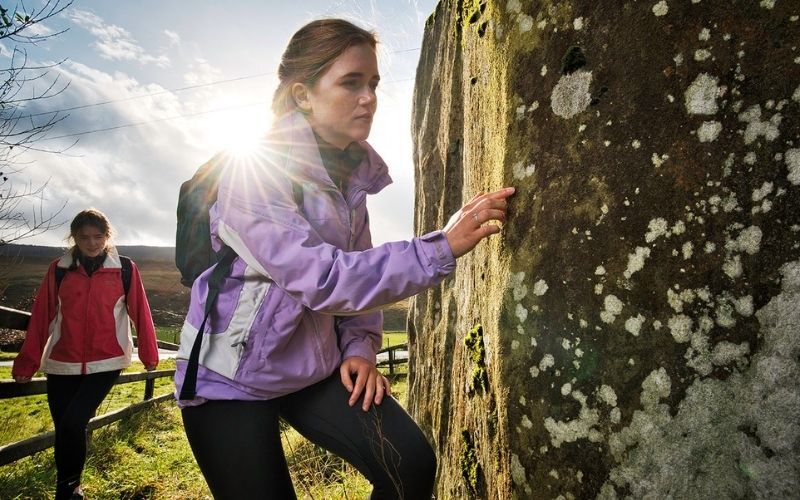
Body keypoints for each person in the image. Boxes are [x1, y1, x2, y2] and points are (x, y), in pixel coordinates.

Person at [174, 18, 514, 499]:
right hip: (230, 377)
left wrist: (359, 348)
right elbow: (324, 277)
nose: (369, 97)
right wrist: (440, 246)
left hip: (310, 366)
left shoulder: (352, 177)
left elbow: (362, 267)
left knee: (409, 464)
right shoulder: (252, 172)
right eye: (350, 83)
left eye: (373, 83)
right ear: (302, 95)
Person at [12, 208, 159, 500]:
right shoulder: (59, 269)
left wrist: (150, 356)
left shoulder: (125, 268)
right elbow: (42, 315)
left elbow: (140, 312)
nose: (92, 243)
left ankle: (68, 488)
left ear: (108, 236)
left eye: (98, 236)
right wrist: (27, 362)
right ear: (74, 238)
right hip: (60, 362)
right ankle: (68, 488)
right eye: (84, 237)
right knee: (63, 428)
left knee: (73, 422)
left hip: (107, 360)